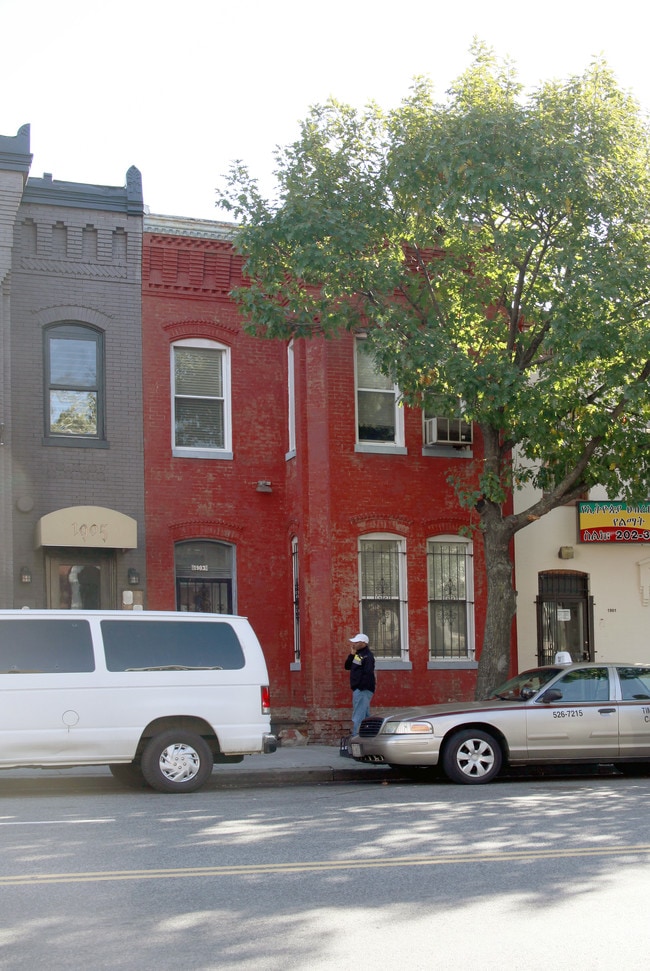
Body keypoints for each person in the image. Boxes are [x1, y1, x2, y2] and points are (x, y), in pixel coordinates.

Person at [345, 633, 376, 735]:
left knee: (358, 716)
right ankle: (368, 736)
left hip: (363, 689)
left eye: (356, 642)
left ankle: (356, 738)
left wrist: (360, 686)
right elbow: (347, 666)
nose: (354, 644)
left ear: (363, 643)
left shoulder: (367, 656)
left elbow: (368, 673)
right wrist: (352, 655)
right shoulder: (358, 655)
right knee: (365, 715)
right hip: (359, 689)